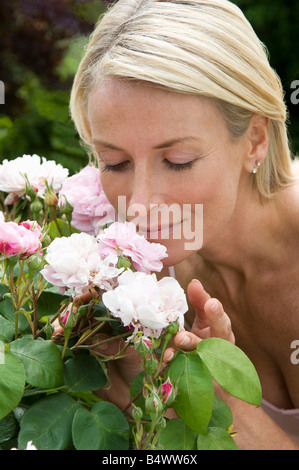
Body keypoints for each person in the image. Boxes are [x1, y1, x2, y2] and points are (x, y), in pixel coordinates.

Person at [67, 0, 299, 449]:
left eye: (178, 161)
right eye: (114, 162)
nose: (138, 204)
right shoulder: (138, 288)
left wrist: (215, 406)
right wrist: (138, 401)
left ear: (255, 139)